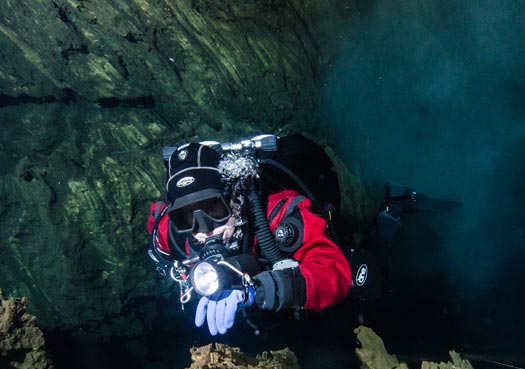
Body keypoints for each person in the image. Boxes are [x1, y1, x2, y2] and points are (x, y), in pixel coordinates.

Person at [146, 135, 413, 336]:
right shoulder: (170, 232)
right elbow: (155, 223)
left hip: (292, 273)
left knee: (365, 285)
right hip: (264, 301)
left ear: (234, 199)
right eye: (187, 217)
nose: (204, 228)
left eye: (214, 208)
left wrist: (261, 289)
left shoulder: (279, 212)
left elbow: (335, 273)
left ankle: (394, 208)